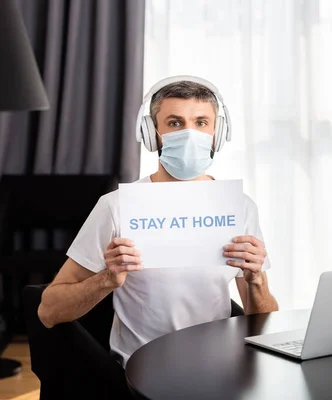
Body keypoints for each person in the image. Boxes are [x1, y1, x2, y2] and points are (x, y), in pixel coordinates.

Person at [37, 76, 278, 369]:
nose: (190, 134)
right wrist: (107, 280)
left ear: (218, 132)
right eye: (175, 123)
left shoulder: (239, 206)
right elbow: (48, 311)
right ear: (152, 134)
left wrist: (256, 281)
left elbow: (265, 325)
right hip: (144, 370)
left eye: (201, 122)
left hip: (218, 367)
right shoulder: (116, 206)